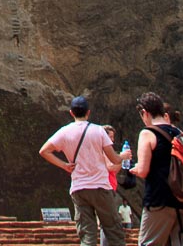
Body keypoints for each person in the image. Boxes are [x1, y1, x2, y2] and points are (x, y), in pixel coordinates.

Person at [39, 95, 125, 246]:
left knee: (87, 235)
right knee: (113, 231)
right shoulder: (99, 131)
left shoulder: (64, 132)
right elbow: (114, 159)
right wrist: (122, 156)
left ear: (71, 113)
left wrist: (64, 165)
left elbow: (44, 151)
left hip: (79, 188)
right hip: (100, 187)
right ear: (88, 112)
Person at [130, 92, 183, 246]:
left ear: (144, 113)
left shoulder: (148, 133)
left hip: (160, 199)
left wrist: (135, 169)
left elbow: (144, 170)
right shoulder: (180, 133)